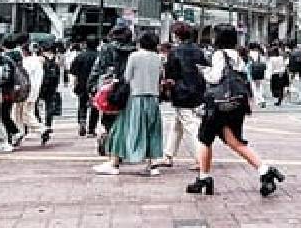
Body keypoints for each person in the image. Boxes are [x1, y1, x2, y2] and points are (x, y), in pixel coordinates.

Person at [185, 24, 284, 197]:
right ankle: (264, 170)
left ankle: (204, 178)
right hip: (236, 104)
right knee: (235, 142)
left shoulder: (219, 55)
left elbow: (215, 77)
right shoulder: (238, 55)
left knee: (204, 139)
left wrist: (203, 72)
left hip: (219, 105)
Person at [94, 31, 164, 175]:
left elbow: (127, 77)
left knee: (120, 130)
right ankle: (152, 165)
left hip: (135, 97)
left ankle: (113, 163)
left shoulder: (135, 56)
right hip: (153, 98)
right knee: (152, 131)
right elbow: (160, 78)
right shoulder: (158, 58)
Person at [160, 22, 207, 166]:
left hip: (181, 92)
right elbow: (204, 68)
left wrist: (167, 86)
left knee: (189, 126)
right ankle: (168, 155)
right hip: (197, 91)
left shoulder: (175, 52)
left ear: (177, 35)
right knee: (178, 125)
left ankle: (201, 158)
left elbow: (170, 74)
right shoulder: (198, 50)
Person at [88, 27, 136, 157]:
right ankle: (121, 145)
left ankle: (106, 137)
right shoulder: (134, 50)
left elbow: (98, 68)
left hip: (109, 87)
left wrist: (91, 85)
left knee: (107, 116)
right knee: (125, 117)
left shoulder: (107, 49)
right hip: (128, 87)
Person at [69, 38, 99, 137]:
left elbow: (73, 72)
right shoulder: (100, 56)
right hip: (96, 85)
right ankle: (91, 129)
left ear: (86, 44)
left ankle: (82, 122)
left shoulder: (80, 56)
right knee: (95, 107)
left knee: (82, 104)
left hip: (82, 84)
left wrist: (74, 84)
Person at [33, 42, 60, 146]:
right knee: (49, 107)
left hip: (41, 85)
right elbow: (58, 74)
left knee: (35, 106)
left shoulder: (40, 59)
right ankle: (48, 125)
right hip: (52, 86)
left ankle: (40, 125)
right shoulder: (56, 59)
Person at [246, 43, 267, 109]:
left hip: (252, 71)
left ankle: (258, 101)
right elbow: (264, 63)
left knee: (253, 87)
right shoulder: (260, 54)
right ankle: (262, 99)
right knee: (259, 86)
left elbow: (249, 63)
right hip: (260, 71)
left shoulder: (250, 53)